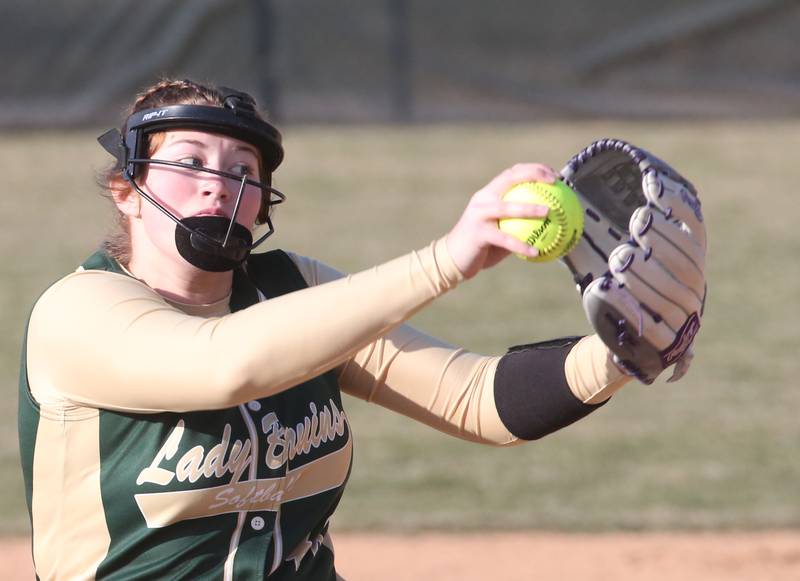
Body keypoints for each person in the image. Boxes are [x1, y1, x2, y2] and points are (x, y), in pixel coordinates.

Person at [19, 79, 634, 580]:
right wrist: (446, 259)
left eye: (243, 169)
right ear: (127, 191)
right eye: (189, 162)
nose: (219, 183)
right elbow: (225, 365)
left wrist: (625, 346)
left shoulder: (295, 290)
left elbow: (482, 402)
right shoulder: (79, 311)